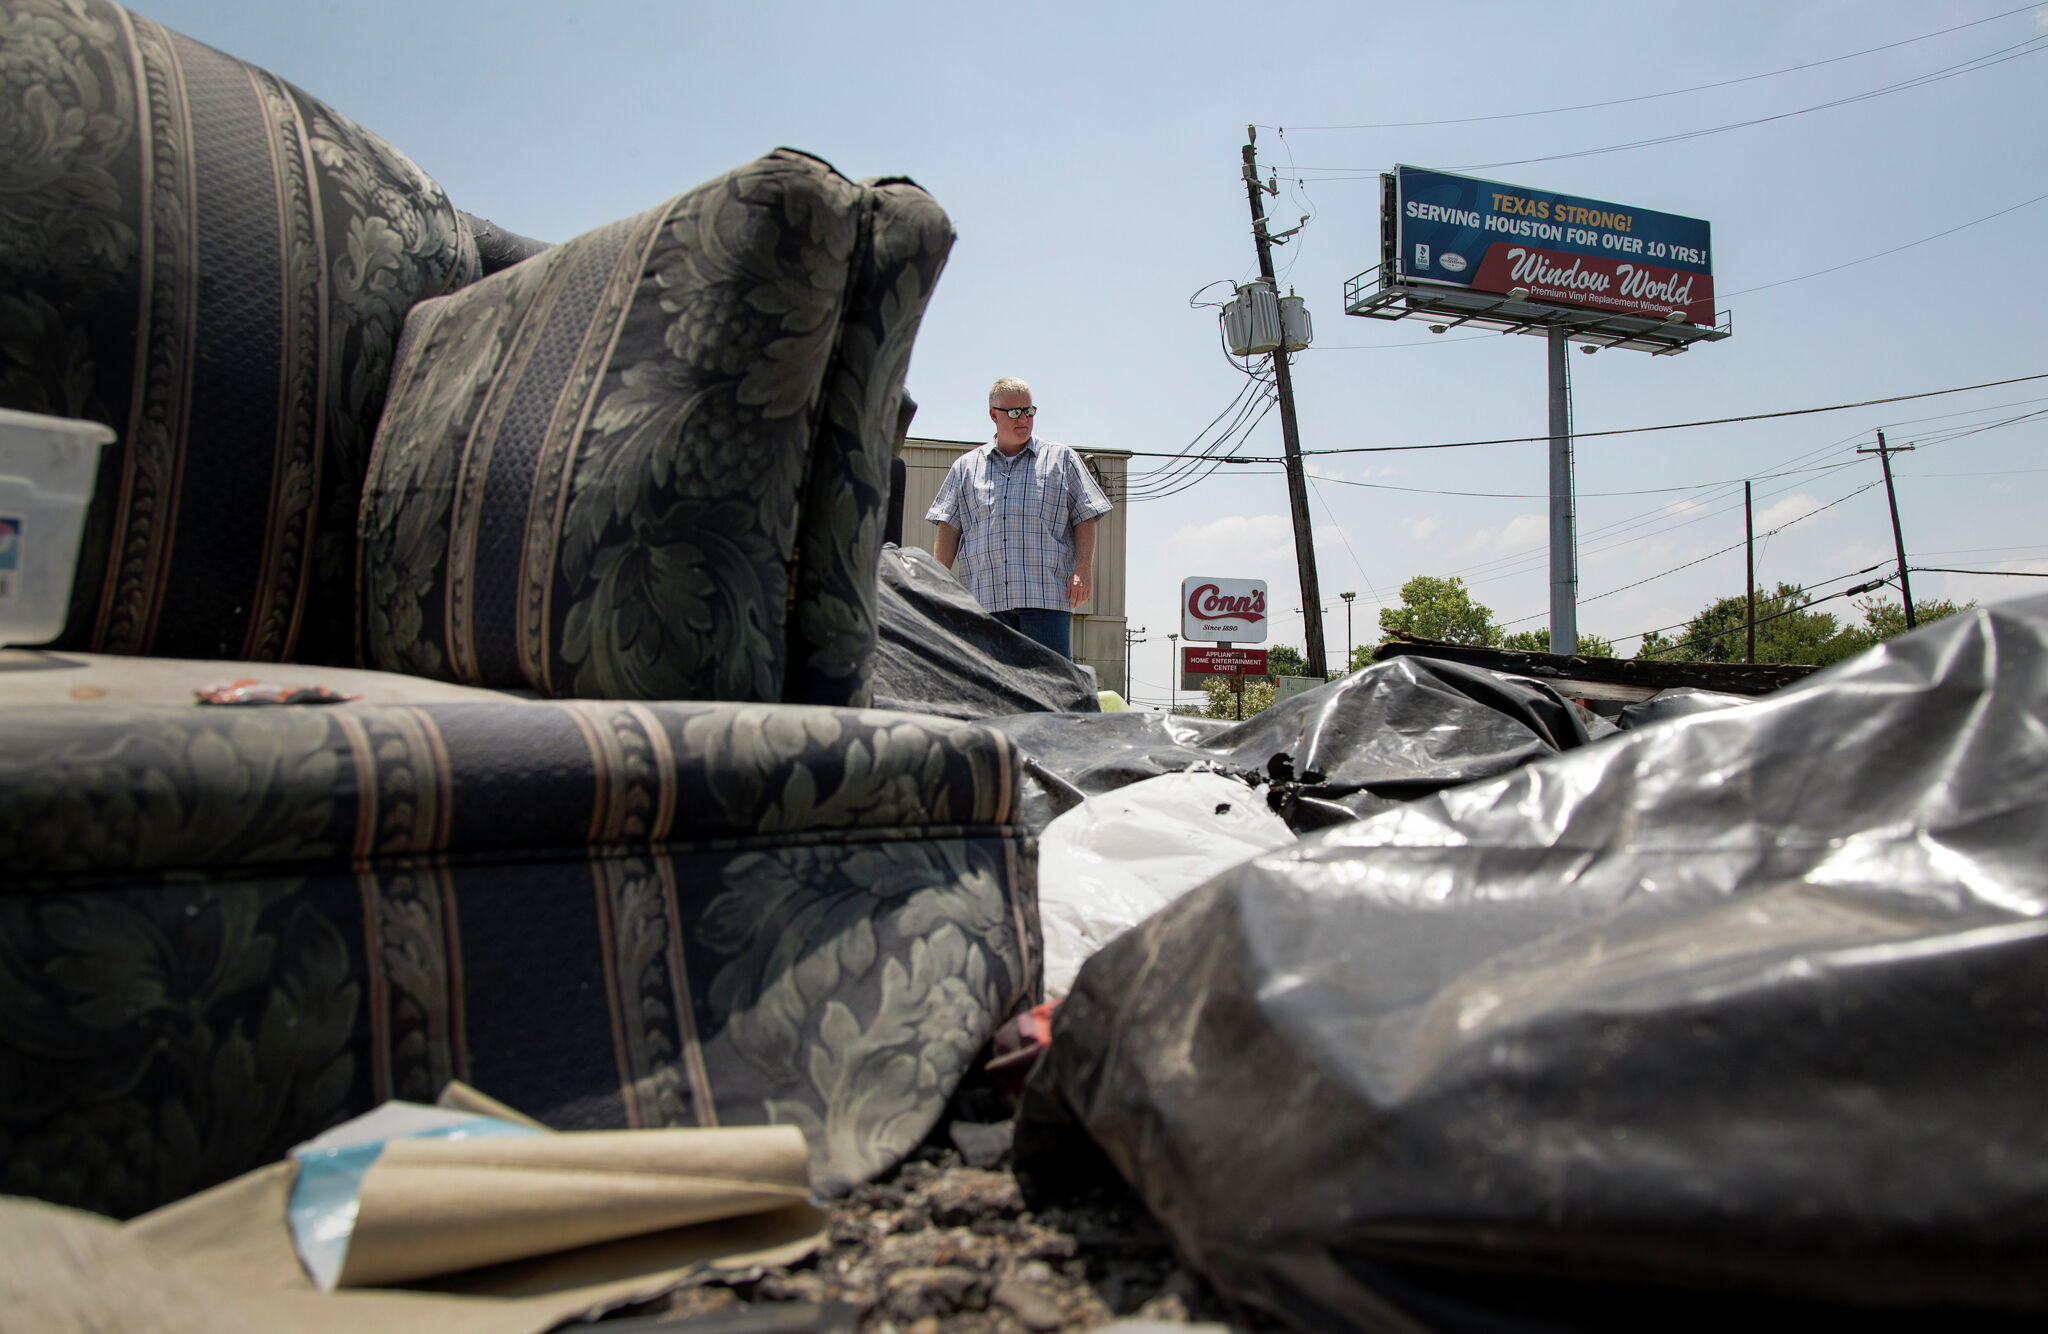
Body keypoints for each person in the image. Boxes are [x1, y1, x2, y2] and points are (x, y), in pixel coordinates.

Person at [926, 377, 1112, 659]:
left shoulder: (1061, 459)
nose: (1023, 418)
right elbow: (949, 527)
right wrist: (936, 580)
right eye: (1014, 412)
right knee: (992, 692)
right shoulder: (965, 467)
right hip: (985, 603)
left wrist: (1083, 567)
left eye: (1029, 411)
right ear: (993, 415)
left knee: (1052, 690)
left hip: (1045, 600)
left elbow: (1084, 516)